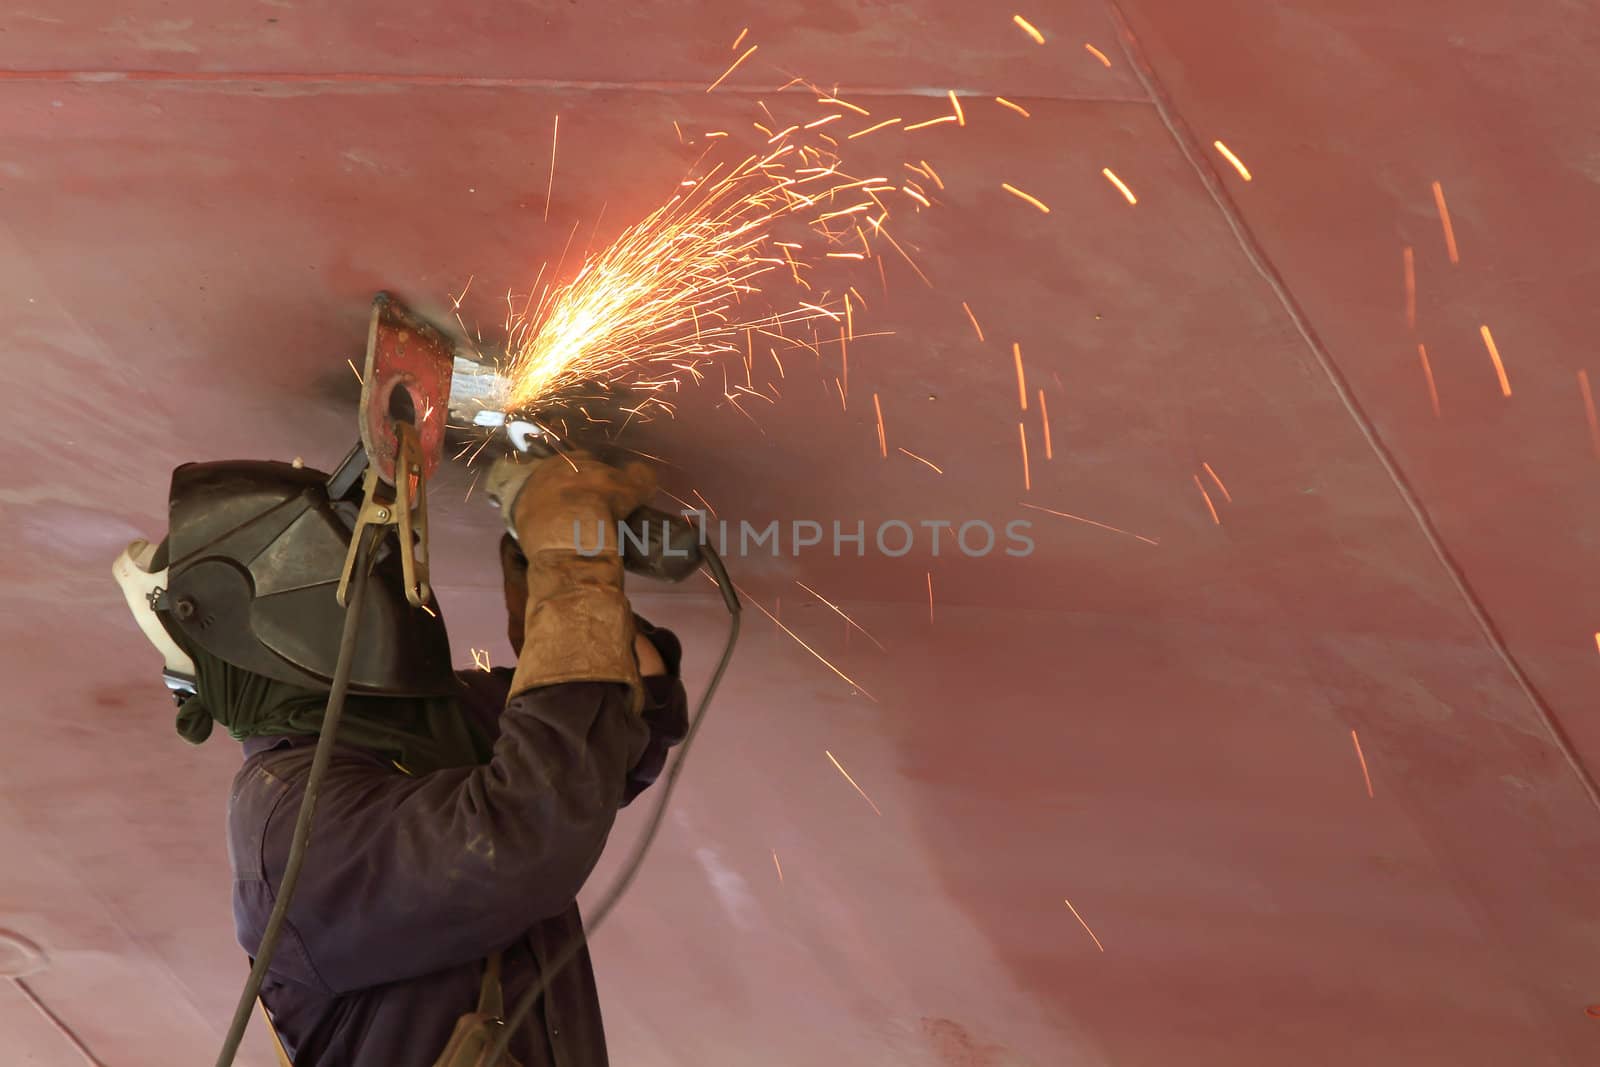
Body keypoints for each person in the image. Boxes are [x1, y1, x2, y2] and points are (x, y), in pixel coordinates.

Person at [113, 450, 688, 1066]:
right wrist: (571, 565)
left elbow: (622, 713)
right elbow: (522, 838)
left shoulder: (416, 730)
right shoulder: (289, 828)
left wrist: (552, 555)